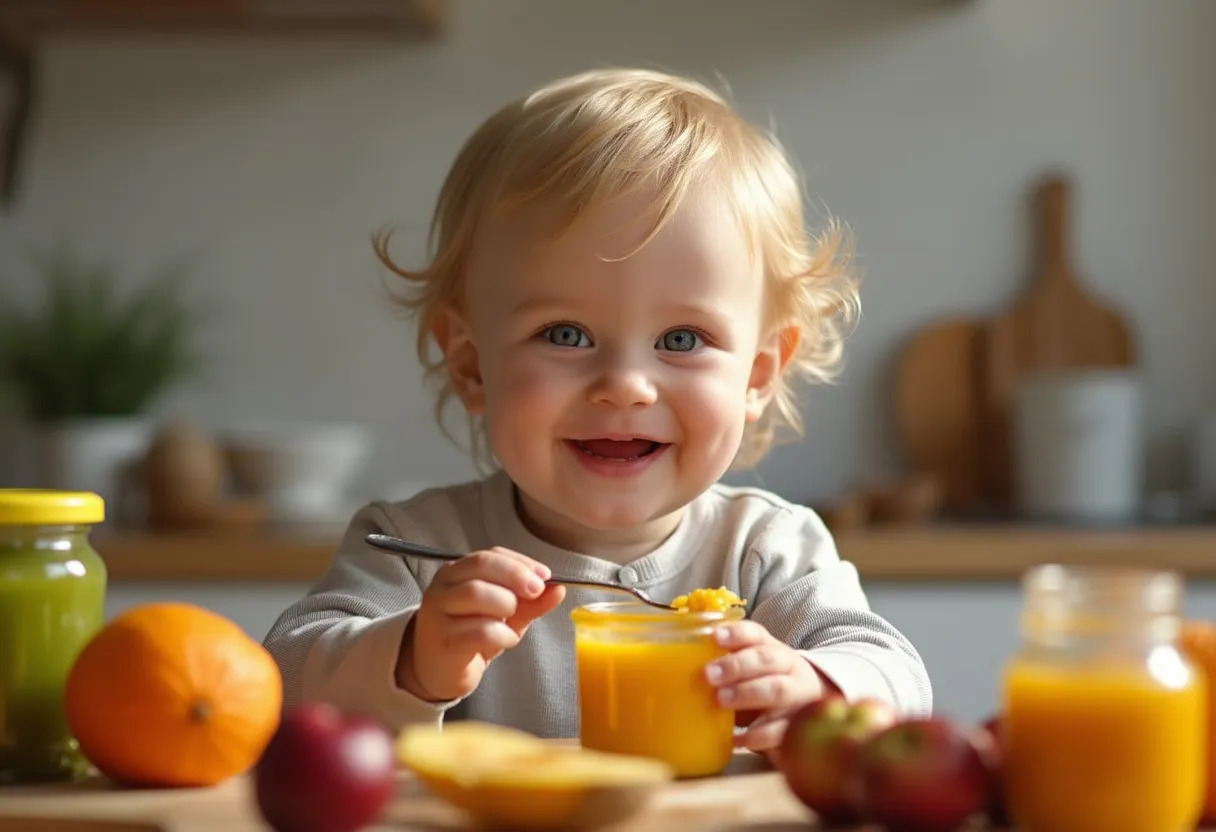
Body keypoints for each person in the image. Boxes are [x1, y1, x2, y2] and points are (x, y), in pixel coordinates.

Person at [263, 67, 932, 755]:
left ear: (758, 373)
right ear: (471, 365)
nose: (624, 386)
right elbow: (281, 681)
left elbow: (894, 670)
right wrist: (409, 657)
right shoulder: (417, 550)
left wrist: (817, 685)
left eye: (681, 340)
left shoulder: (766, 551)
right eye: (564, 334)